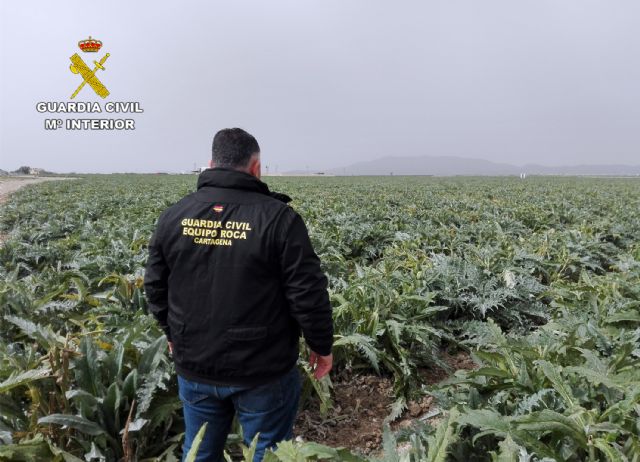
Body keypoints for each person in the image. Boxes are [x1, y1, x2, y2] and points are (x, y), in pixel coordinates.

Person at [143, 128, 334, 462]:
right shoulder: (279, 218)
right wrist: (321, 344)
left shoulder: (174, 216)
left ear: (210, 163)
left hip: (195, 361)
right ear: (256, 167)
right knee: (269, 452)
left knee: (199, 451)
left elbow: (155, 285)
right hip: (262, 368)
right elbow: (307, 291)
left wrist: (169, 330)